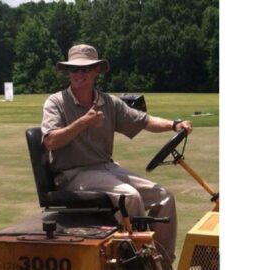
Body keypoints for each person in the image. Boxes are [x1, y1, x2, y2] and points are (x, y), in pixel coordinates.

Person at [41, 44, 193, 268]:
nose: (79, 74)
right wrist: (84, 122)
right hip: (72, 174)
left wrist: (174, 124)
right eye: (74, 69)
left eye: (85, 69)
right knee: (129, 197)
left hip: (106, 168)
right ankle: (144, 265)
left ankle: (162, 262)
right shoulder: (56, 102)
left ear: (96, 71)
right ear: (68, 72)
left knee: (164, 196)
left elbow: (144, 120)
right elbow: (51, 141)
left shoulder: (109, 102)